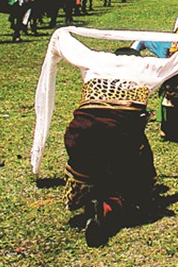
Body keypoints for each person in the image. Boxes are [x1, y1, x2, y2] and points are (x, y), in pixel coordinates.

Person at [63, 46, 158, 247]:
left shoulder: (95, 71)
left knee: (90, 170)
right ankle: (107, 208)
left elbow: (65, 44)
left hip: (77, 137)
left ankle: (89, 197)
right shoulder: (141, 76)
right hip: (117, 140)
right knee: (136, 191)